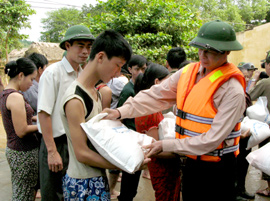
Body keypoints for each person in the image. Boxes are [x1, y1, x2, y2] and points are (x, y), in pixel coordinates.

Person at [103, 20, 246, 201]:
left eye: (210, 51)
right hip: (191, 164)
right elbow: (156, 95)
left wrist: (166, 145)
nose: (203, 55)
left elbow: (211, 140)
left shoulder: (232, 90)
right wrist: (120, 112)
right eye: (200, 48)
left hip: (218, 169)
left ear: (226, 51)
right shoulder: (188, 72)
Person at [60, 29, 133, 200]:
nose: (118, 73)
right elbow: (81, 153)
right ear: (100, 57)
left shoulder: (96, 92)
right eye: (117, 65)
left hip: (97, 178)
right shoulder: (76, 99)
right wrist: (121, 165)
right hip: (82, 183)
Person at [37, 25, 95, 201]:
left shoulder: (82, 73)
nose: (85, 51)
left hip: (75, 141)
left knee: (72, 191)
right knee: (53, 192)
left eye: (88, 47)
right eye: (80, 45)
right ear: (68, 46)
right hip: (56, 143)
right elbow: (44, 113)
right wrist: (52, 151)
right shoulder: (53, 74)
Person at [134, 63, 181, 201]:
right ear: (157, 82)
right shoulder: (149, 111)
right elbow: (153, 148)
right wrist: (180, 151)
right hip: (162, 166)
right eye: (168, 81)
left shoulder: (150, 105)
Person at [0, 58, 39, 200]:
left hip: (16, 150)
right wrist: (41, 126)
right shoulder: (15, 96)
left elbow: (22, 118)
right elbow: (21, 130)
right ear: (21, 75)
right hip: (23, 152)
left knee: (21, 190)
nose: (32, 84)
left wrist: (36, 119)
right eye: (31, 79)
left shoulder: (6, 93)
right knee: (24, 194)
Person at [116, 54, 148, 201]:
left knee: (133, 180)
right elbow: (120, 117)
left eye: (143, 69)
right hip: (130, 139)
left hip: (137, 139)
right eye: (137, 69)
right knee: (129, 182)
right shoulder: (128, 90)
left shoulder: (139, 88)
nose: (140, 72)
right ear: (129, 69)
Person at [248, 52, 270, 198]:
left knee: (267, 157)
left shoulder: (265, 82)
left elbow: (249, 97)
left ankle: (269, 189)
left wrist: (255, 79)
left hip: (267, 128)